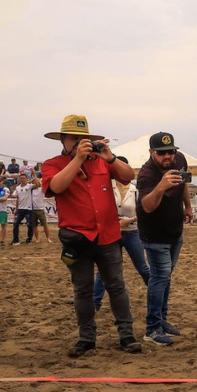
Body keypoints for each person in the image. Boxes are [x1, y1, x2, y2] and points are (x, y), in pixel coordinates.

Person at [40, 114, 142, 357]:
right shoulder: (52, 164)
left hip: (108, 235)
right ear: (62, 140)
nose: (78, 143)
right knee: (83, 290)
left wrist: (111, 157)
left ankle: (126, 335)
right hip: (77, 238)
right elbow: (55, 187)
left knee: (116, 286)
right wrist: (77, 159)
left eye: (82, 138)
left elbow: (128, 176)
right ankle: (87, 337)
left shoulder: (102, 161)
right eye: (73, 139)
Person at [134, 132, 192, 346]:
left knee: (165, 278)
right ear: (151, 153)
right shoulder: (147, 174)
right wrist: (161, 186)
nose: (168, 156)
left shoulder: (180, 160)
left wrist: (187, 205)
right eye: (161, 153)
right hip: (155, 234)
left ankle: (161, 320)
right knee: (159, 278)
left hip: (174, 230)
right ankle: (152, 328)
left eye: (171, 151)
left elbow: (183, 182)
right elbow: (147, 206)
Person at [94, 160, 150, 311]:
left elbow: (144, 210)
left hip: (132, 231)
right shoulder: (107, 188)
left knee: (142, 267)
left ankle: (156, 295)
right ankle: (95, 302)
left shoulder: (135, 189)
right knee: (104, 270)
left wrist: (129, 220)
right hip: (112, 233)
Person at [11, 172, 35, 245]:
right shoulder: (18, 188)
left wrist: (34, 176)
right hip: (20, 209)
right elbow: (16, 197)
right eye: (21, 178)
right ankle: (16, 240)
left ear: (26, 179)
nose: (22, 179)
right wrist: (16, 209)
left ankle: (29, 239)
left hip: (28, 209)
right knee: (15, 224)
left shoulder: (29, 186)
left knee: (29, 224)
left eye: (24, 178)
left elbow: (37, 184)